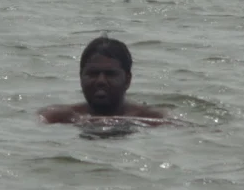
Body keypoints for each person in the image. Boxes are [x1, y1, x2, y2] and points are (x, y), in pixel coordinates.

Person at [39, 36, 168, 124]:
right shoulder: (56, 117)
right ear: (80, 77)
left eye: (110, 74)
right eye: (93, 74)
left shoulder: (154, 119)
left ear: (127, 80)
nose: (101, 81)